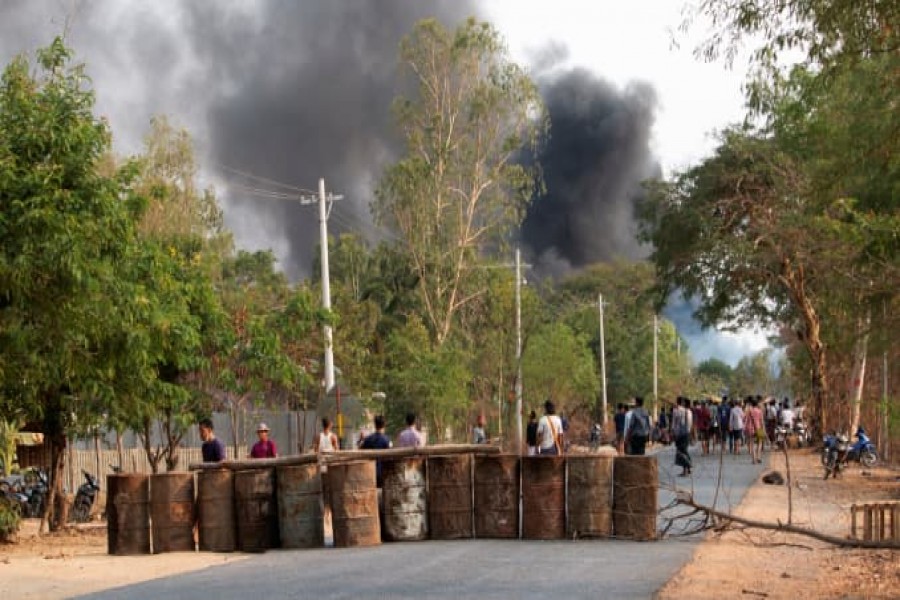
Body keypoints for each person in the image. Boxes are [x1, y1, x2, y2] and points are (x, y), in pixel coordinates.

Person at [361, 415, 391, 486]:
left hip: (368, 473)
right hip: (382, 473)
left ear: (375, 425)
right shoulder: (386, 440)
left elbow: (360, 451)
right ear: (384, 425)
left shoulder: (367, 439)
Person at [672, 397, 693, 476]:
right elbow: (690, 424)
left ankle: (686, 469)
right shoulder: (689, 412)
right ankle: (688, 467)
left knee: (681, 452)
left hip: (679, 434)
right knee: (684, 450)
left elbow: (674, 424)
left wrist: (673, 433)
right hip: (686, 433)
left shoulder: (676, 411)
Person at [745, 398, 764, 464]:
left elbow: (746, 420)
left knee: (752, 444)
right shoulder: (760, 411)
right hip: (759, 428)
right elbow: (761, 421)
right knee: (760, 443)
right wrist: (763, 429)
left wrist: (745, 428)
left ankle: (753, 460)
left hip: (751, 429)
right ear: (757, 404)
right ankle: (758, 457)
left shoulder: (749, 411)